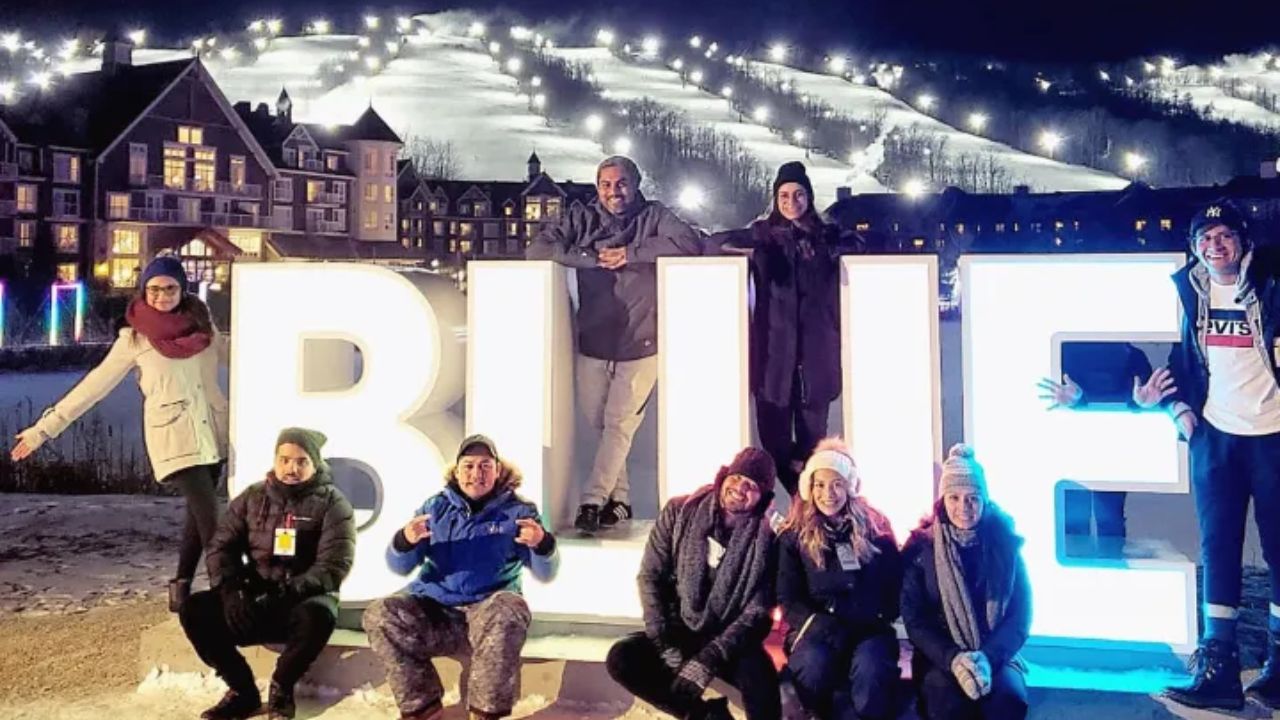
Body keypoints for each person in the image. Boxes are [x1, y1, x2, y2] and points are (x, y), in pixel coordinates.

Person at [10, 255, 228, 612]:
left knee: (198, 514)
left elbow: (239, 356)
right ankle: (229, 593)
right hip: (172, 436)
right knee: (212, 517)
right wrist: (43, 430)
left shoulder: (203, 327)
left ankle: (181, 587)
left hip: (212, 432)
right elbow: (94, 386)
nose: (162, 296)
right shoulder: (134, 338)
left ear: (181, 289)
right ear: (144, 291)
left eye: (170, 288)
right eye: (154, 289)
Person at [526, 155, 703, 533]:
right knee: (600, 423)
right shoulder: (581, 218)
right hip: (593, 338)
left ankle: (592, 500)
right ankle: (620, 499)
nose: (614, 191)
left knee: (619, 424)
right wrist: (589, 259)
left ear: (636, 184)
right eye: (606, 184)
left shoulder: (654, 216)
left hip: (642, 340)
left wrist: (632, 255)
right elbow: (538, 248)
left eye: (621, 183)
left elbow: (690, 241)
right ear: (597, 187)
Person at [1152, 200, 1280, 711]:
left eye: (1224, 235)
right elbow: (1182, 360)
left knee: (1279, 552)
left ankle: (1278, 668)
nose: (1215, 246)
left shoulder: (1271, 281)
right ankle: (1218, 669)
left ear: (1242, 239)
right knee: (1218, 551)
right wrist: (1177, 406)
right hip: (1217, 436)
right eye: (1205, 237)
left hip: (1272, 433)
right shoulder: (1191, 290)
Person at [363, 434, 559, 720]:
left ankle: (485, 713)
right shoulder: (434, 508)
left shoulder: (519, 512)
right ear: (456, 471)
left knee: (508, 608)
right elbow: (400, 566)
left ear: (497, 470)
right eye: (468, 466)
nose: (475, 474)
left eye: (484, 466)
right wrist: (405, 540)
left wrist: (542, 543)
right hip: (437, 614)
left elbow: (546, 572)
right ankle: (423, 708)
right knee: (379, 614)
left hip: (487, 617)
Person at [180, 427, 356, 720]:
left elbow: (333, 566)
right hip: (256, 593)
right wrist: (232, 589)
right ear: (275, 460)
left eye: (301, 461)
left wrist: (288, 592)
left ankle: (282, 690)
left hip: (303, 599)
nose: (292, 468)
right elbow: (221, 547)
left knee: (318, 616)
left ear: (315, 464)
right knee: (194, 609)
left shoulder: (333, 504)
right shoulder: (253, 497)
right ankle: (242, 692)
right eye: (285, 460)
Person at [706, 161, 857, 495]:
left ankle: (808, 514)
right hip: (772, 361)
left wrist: (835, 246)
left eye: (799, 194)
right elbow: (714, 244)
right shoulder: (765, 237)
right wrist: (754, 241)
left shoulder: (827, 237)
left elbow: (866, 246)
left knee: (813, 447)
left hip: (817, 361)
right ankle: (801, 500)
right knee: (774, 444)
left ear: (810, 197)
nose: (791, 202)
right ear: (775, 199)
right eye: (784, 195)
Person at [607, 447, 781, 720]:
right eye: (736, 478)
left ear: (762, 497)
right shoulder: (680, 511)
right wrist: (662, 641)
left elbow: (756, 613)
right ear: (723, 477)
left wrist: (710, 657)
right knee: (622, 658)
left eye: (752, 486)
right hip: (680, 626)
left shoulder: (768, 539)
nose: (739, 488)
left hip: (729, 639)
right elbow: (650, 576)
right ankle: (704, 716)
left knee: (762, 684)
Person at [901, 444, 1031, 720]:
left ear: (985, 500)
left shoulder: (1005, 544)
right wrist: (954, 659)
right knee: (946, 701)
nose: (964, 508)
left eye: (973, 498)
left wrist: (987, 657)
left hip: (995, 652)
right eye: (955, 498)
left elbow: (1020, 617)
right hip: (941, 656)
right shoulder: (922, 548)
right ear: (942, 501)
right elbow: (915, 620)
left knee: (1008, 701)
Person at [777, 438, 902, 720]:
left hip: (868, 628)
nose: (828, 493)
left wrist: (871, 615)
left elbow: (893, 584)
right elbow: (788, 596)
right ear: (809, 487)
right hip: (816, 627)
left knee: (873, 670)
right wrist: (820, 625)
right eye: (819, 484)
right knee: (812, 664)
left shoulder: (876, 527)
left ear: (850, 486)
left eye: (836, 484)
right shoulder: (793, 533)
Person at [1037, 341, 1155, 553]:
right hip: (1072, 447)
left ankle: (1111, 576)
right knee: (1076, 523)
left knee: (1107, 520)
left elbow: (1145, 398)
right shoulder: (1062, 350)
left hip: (1112, 448)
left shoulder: (1132, 356)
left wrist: (1138, 402)